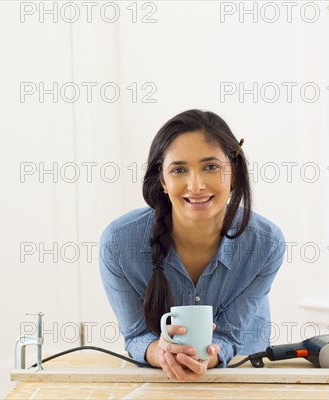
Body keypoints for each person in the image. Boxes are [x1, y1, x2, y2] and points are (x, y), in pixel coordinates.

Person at [99, 109, 286, 381]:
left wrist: (209, 355)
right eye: (179, 170)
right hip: (162, 380)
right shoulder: (118, 244)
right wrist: (160, 352)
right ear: (162, 180)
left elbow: (230, 335)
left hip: (240, 376)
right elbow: (137, 335)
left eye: (211, 167)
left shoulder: (266, 244)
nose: (196, 185)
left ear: (233, 172)